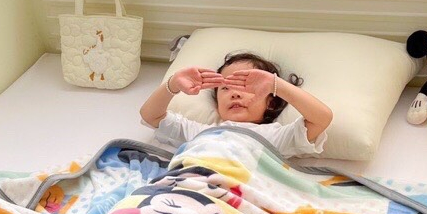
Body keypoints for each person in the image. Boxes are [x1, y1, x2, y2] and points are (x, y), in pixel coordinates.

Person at [139, 51, 333, 158]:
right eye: (225, 88)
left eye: (245, 86)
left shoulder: (276, 136)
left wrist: (276, 85)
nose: (234, 93)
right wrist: (173, 84)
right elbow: (150, 115)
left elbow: (321, 118)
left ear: (271, 103)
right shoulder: (201, 132)